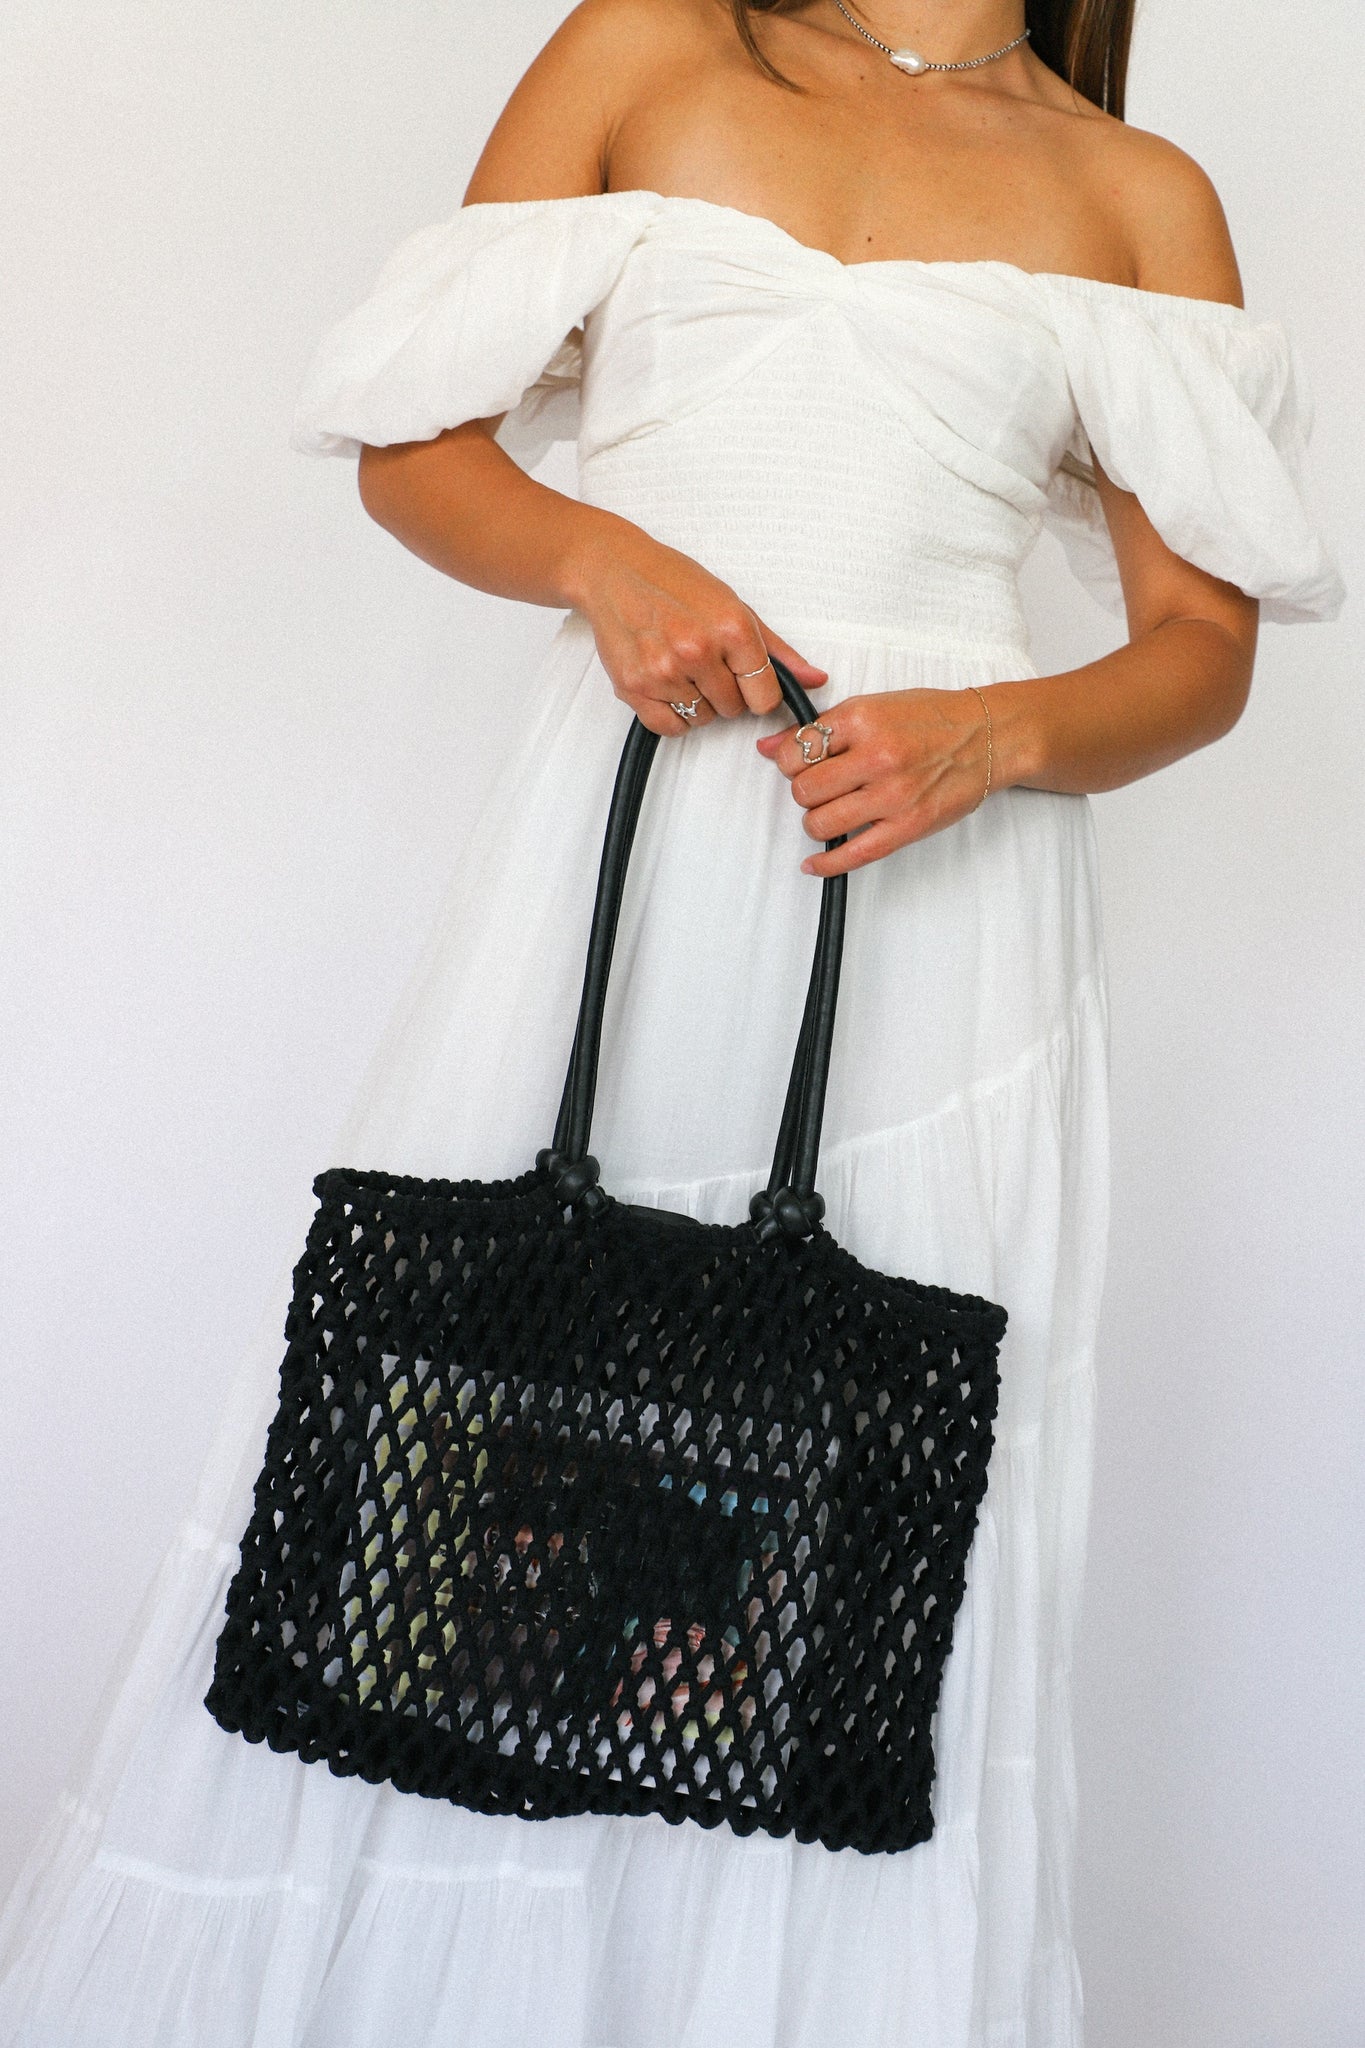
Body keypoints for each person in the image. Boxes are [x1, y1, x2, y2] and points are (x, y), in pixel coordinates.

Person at [0, 2, 1343, 2043]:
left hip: (928, 893)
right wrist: (597, 557)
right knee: (463, 1415)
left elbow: (1196, 650)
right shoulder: (648, 45)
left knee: (840, 1514)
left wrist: (997, 732)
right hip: (618, 852)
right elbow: (416, 452)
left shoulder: (1132, 186)